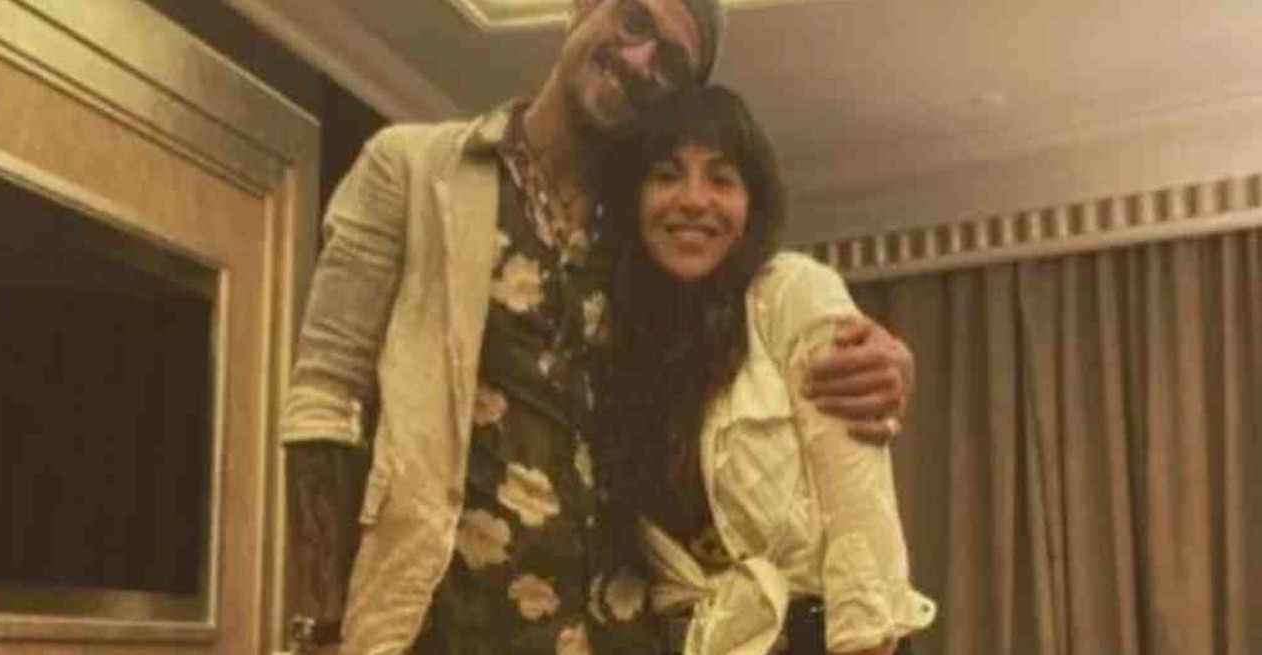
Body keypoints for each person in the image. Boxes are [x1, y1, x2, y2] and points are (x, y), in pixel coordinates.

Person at [279, 0, 917, 653]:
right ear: (583, 8)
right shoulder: (411, 170)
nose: (641, 61)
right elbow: (325, 399)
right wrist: (321, 624)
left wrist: (887, 361)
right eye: (633, 22)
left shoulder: (650, 232)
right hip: (446, 629)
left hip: (631, 636)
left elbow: (741, 355)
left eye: (670, 62)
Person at [595, 85, 935, 655]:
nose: (694, 200)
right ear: (633, 198)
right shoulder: (610, 338)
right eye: (666, 175)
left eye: (722, 179)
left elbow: (862, 521)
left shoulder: (792, 293)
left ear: (753, 203)